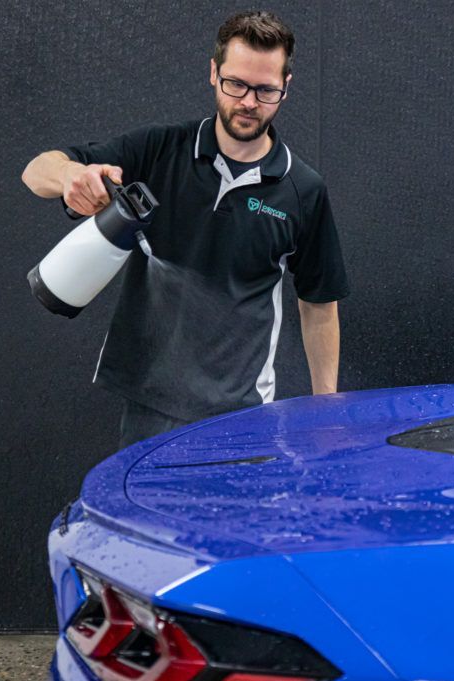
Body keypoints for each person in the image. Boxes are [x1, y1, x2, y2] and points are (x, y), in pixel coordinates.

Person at [21, 11, 348, 448]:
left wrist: (326, 411)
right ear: (214, 74)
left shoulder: (302, 190)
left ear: (286, 88)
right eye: (236, 83)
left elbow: (319, 304)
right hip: (149, 405)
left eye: (265, 89)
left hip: (244, 412)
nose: (249, 101)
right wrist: (69, 178)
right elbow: (36, 169)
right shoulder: (160, 151)